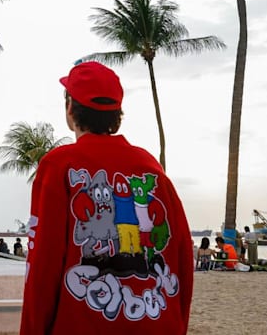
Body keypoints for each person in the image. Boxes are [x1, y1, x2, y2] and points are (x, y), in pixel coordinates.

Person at [20, 61, 193, 335]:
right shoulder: (151, 169)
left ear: (69, 109)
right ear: (117, 113)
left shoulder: (59, 166)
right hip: (157, 321)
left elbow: (42, 265)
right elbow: (182, 257)